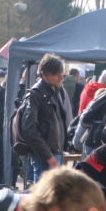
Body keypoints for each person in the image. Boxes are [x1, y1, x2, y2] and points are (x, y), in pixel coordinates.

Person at [16, 53, 67, 183]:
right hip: (45, 156)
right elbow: (29, 129)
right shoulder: (35, 95)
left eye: (62, 72)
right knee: (43, 199)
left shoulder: (55, 91)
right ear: (45, 74)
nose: (61, 76)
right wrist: (48, 156)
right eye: (57, 73)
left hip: (53, 154)